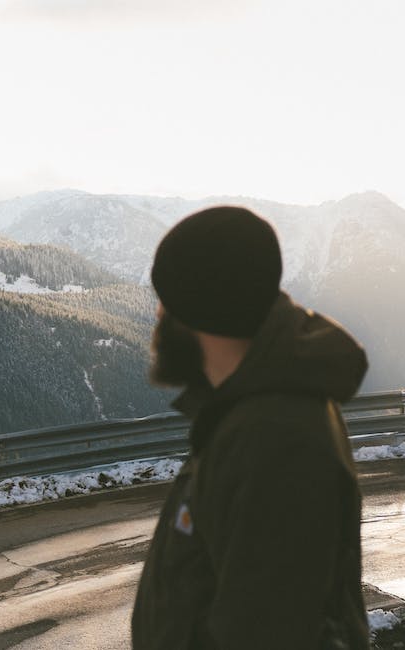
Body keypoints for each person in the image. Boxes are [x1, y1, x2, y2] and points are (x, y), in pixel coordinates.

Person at [132, 206, 370, 649]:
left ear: (196, 307)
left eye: (165, 299)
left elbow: (267, 630)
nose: (159, 312)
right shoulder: (250, 412)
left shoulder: (276, 439)